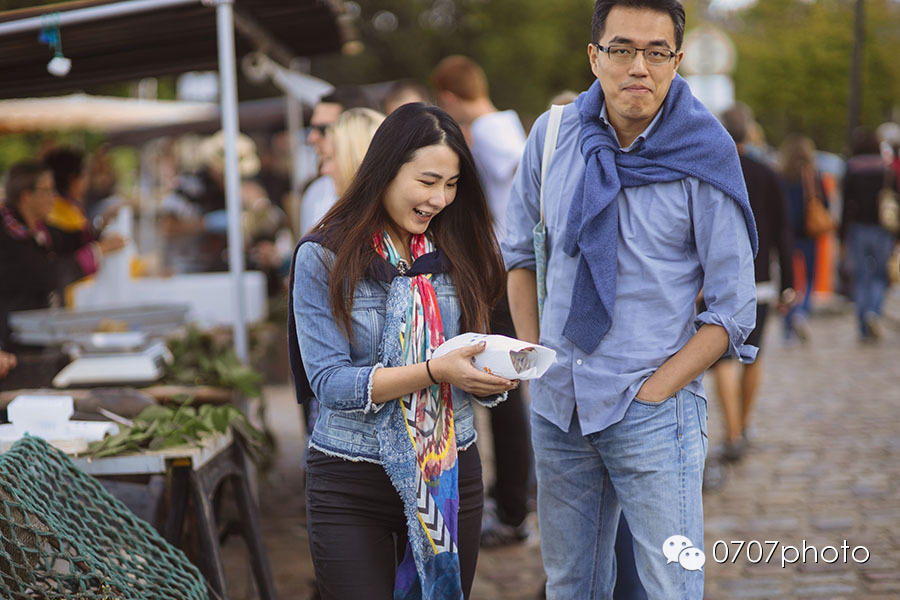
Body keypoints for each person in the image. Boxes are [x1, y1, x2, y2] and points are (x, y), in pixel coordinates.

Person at [502, 1, 758, 597]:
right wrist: (535, 360)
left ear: (677, 60)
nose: (638, 66)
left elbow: (733, 308)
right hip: (559, 404)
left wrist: (658, 390)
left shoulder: (705, 152)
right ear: (595, 57)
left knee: (673, 585)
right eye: (621, 49)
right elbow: (517, 255)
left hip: (652, 412)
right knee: (571, 586)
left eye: (656, 51)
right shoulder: (552, 136)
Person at [289, 103, 518, 600]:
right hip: (350, 476)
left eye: (452, 185)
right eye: (428, 181)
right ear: (386, 170)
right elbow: (329, 384)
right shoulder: (323, 256)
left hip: (449, 476)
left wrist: (494, 376)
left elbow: (474, 357)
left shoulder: (461, 251)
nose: (440, 198)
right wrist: (434, 371)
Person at [431, 54, 534, 547]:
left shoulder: (491, 134)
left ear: (449, 98)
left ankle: (514, 504)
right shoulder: (505, 124)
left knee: (503, 390)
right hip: (507, 272)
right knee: (504, 389)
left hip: (501, 275)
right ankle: (514, 496)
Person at [712, 103, 795, 462]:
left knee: (723, 360)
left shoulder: (712, 171)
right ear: (749, 132)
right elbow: (782, 231)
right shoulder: (766, 173)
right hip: (759, 282)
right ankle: (744, 425)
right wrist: (787, 282)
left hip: (715, 281)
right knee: (752, 356)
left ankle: (731, 432)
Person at [1, 160, 123, 347]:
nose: (54, 197)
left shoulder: (40, 231)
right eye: (47, 190)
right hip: (16, 342)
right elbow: (48, 275)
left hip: (42, 334)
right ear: (26, 197)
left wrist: (100, 229)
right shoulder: (8, 238)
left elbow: (71, 239)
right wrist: (98, 250)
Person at [841, 128, 898, 342]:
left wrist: (842, 236)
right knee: (880, 275)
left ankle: (863, 324)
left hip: (858, 228)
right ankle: (873, 311)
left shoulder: (853, 168)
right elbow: (895, 200)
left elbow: (845, 204)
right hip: (882, 228)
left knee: (861, 276)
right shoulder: (886, 168)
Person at [299, 85, 372, 234]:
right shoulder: (317, 191)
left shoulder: (389, 193)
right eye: (311, 128)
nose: (311, 138)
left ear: (354, 131)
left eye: (323, 129)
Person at [778, 134, 828, 343]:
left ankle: (788, 325)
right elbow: (825, 204)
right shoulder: (813, 176)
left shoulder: (780, 176)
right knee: (807, 279)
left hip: (786, 234)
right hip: (808, 234)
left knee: (788, 280)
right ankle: (800, 312)